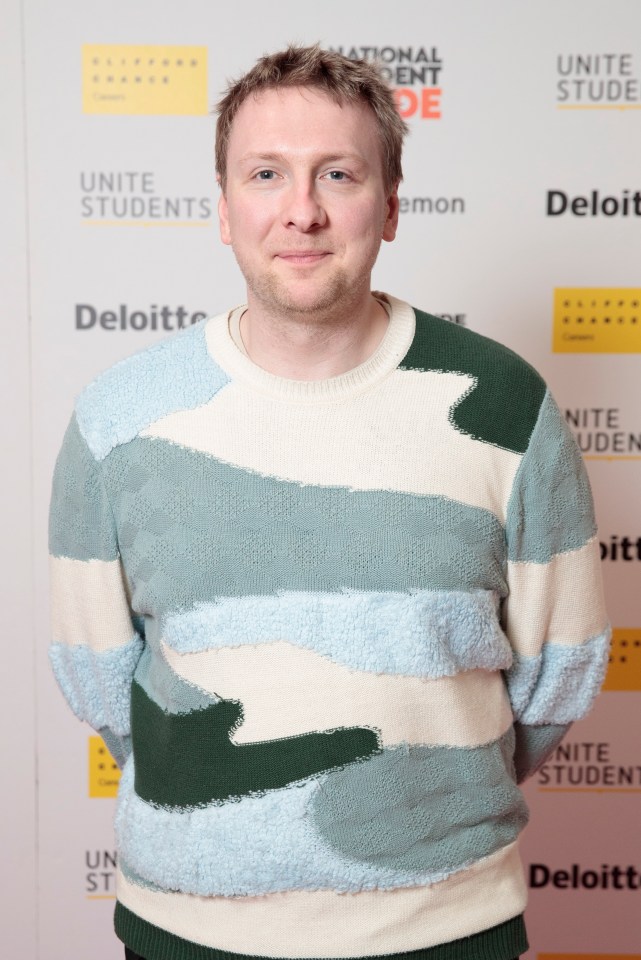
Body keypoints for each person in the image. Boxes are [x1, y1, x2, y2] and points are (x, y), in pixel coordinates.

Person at [49, 44, 610, 960]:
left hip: (448, 929)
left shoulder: (508, 409)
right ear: (223, 208)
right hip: (189, 931)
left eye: (337, 174)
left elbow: (557, 673)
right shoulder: (119, 420)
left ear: (388, 205)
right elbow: (102, 679)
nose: (300, 210)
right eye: (266, 174)